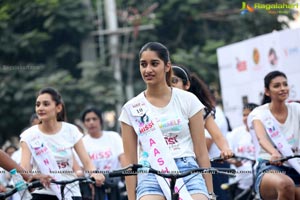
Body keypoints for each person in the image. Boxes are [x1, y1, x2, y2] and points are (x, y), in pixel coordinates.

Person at [119, 42, 212, 200]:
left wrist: (210, 193)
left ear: (167, 66)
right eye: (143, 64)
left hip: (187, 170)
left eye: (154, 64)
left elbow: (201, 152)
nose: (148, 70)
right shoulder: (131, 108)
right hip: (150, 173)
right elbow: (130, 161)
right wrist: (131, 197)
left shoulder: (188, 100)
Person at [20, 87, 105, 200]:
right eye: (38, 104)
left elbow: (87, 162)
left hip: (71, 192)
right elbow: (24, 168)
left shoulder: (71, 131)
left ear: (58, 107)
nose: (40, 108)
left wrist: (95, 173)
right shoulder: (29, 135)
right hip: (43, 193)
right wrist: (32, 177)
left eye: (46, 104)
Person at [171, 65, 232, 200]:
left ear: (186, 84)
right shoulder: (157, 109)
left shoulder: (197, 108)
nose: (170, 86)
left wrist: (225, 149)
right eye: (166, 83)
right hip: (166, 167)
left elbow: (217, 135)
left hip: (193, 166)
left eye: (174, 81)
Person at [248, 70, 300, 200]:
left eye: (285, 84)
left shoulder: (296, 109)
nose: (282, 88)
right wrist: (273, 153)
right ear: (267, 91)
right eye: (277, 86)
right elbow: (261, 139)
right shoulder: (259, 113)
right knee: (286, 185)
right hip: (270, 166)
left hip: (295, 165)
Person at [79, 107, 126, 200]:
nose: (91, 122)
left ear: (100, 120)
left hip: (115, 186)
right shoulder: (82, 142)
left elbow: (123, 159)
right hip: (93, 189)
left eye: (94, 119)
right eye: (87, 120)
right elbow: (81, 168)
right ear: (84, 123)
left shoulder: (113, 137)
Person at [226, 103, 258, 199]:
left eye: (249, 114)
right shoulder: (236, 133)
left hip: (260, 184)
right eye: (244, 115)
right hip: (241, 184)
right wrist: (233, 161)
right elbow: (227, 153)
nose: (246, 118)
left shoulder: (263, 133)